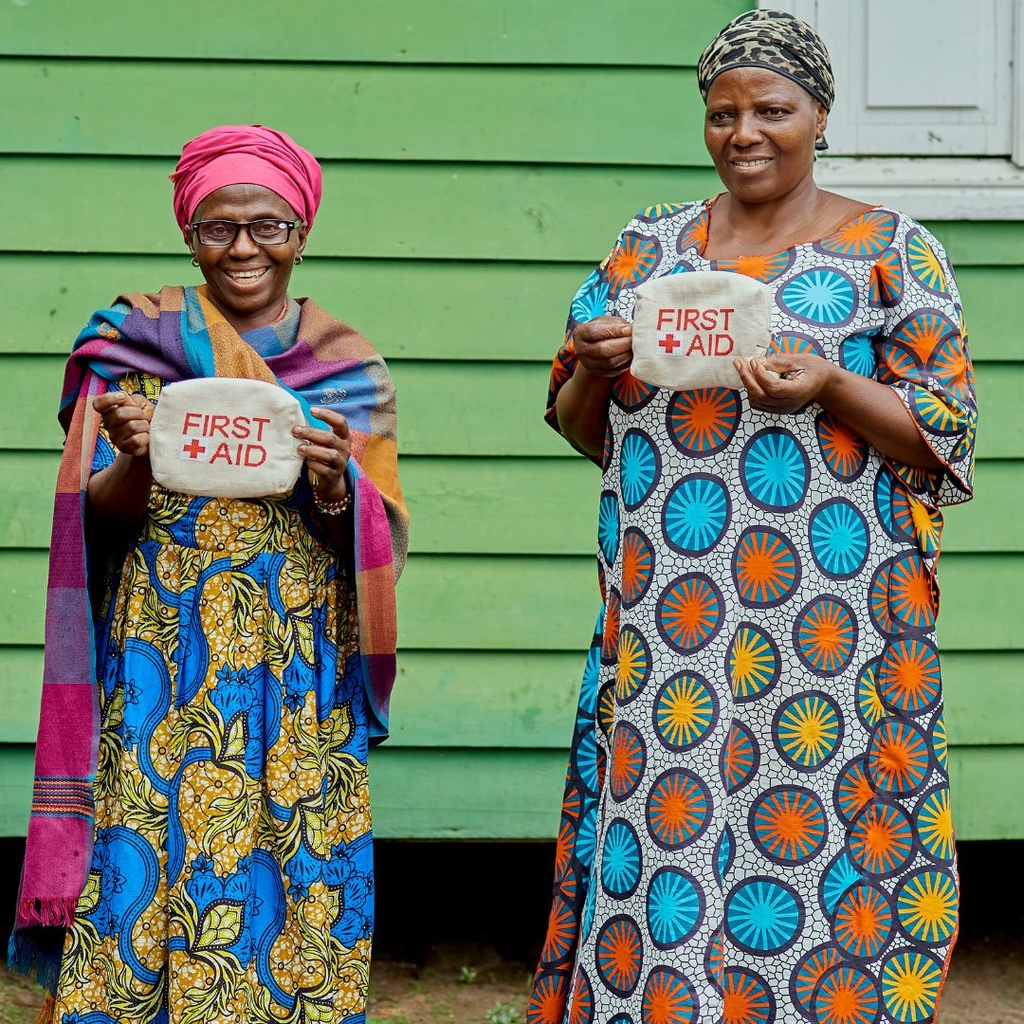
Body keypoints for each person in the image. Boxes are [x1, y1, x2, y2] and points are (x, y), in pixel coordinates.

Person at [527, 10, 976, 1024]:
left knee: (814, 811)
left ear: (820, 114)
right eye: (722, 113)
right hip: (669, 608)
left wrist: (826, 383)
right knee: (667, 816)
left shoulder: (892, 252)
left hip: (832, 610)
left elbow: (942, 431)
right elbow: (574, 423)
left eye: (772, 109)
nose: (745, 133)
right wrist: (596, 370)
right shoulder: (645, 249)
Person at [9, 124, 408, 1024]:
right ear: (189, 232)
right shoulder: (127, 344)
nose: (242, 250)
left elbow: (374, 527)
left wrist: (337, 482)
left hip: (292, 660)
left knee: (288, 844)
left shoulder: (348, 367)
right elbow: (96, 516)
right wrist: (141, 456)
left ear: (301, 231)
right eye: (218, 228)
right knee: (146, 841)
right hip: (162, 650)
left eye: (266, 226)